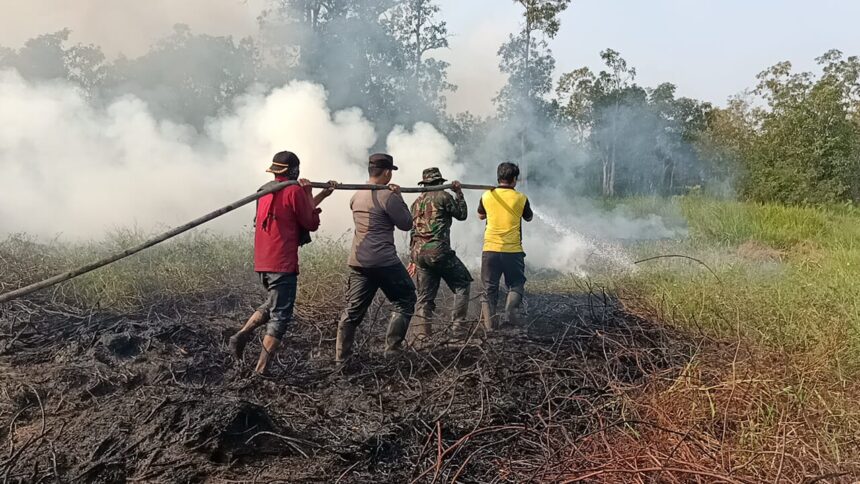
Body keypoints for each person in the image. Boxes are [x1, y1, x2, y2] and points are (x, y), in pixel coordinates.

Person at [228, 150, 336, 375]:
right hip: (282, 262)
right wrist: (307, 192)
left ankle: (242, 334)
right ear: (295, 170)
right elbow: (310, 222)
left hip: (263, 261)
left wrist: (322, 195)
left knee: (273, 303)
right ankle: (260, 371)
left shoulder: (264, 190)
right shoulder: (294, 191)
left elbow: (295, 212)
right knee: (281, 316)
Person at [335, 153, 416, 362]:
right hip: (384, 261)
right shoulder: (387, 196)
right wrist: (399, 196)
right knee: (405, 299)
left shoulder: (356, 195)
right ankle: (392, 351)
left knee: (352, 311)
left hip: (359, 261)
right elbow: (406, 223)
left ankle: (341, 360)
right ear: (387, 172)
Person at [406, 167, 472, 341]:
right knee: (463, 283)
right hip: (439, 252)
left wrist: (412, 258)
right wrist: (459, 193)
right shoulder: (443, 196)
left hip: (419, 254)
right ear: (439, 182)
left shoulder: (416, 203)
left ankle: (422, 335)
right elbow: (462, 215)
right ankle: (458, 329)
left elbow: (413, 232)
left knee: (424, 297)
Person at [477, 162, 533, 332]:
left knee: (489, 288)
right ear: (514, 179)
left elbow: (480, 215)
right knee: (516, 283)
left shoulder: (487, 196)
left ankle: (490, 327)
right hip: (513, 252)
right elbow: (529, 217)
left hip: (490, 250)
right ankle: (510, 314)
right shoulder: (521, 198)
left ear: (498, 177)